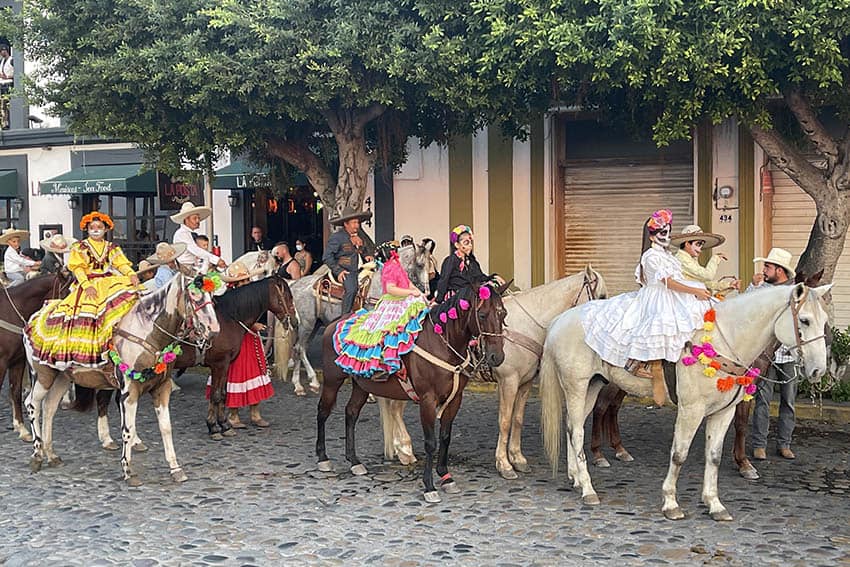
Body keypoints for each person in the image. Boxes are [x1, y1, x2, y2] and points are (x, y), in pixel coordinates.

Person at [581, 210, 712, 405]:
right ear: (651, 236)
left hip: (671, 294)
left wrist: (700, 289)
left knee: (689, 322)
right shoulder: (650, 256)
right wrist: (693, 291)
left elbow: (678, 278)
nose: (666, 237)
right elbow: (667, 282)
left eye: (668, 232)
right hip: (658, 295)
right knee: (651, 327)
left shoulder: (668, 256)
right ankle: (645, 365)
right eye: (662, 233)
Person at [24, 212, 141, 369]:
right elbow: (78, 268)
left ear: (106, 229)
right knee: (85, 315)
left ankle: (118, 344)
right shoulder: (80, 247)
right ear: (87, 229)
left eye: (99, 227)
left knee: (126, 305)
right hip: (89, 283)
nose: (95, 230)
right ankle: (86, 350)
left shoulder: (112, 247)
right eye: (92, 227)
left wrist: (131, 274)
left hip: (110, 281)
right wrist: (86, 285)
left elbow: (121, 264)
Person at [334, 241, 428, 379]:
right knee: (390, 331)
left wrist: (419, 293)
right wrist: (410, 293)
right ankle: (383, 361)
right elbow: (391, 289)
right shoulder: (390, 267)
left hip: (404, 300)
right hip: (392, 303)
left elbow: (408, 283)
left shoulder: (398, 266)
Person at [206, 261, 274, 428]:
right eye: (242, 282)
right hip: (236, 339)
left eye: (247, 281)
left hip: (251, 339)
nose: (245, 284)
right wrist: (252, 325)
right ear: (234, 284)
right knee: (235, 374)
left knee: (255, 372)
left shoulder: (252, 296)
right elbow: (234, 318)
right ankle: (233, 413)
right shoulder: (228, 300)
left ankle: (255, 412)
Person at [747, 247, 798, 461]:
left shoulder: (796, 291)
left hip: (789, 355)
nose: (764, 270)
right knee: (762, 400)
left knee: (789, 401)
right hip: (766, 355)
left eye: (767, 266)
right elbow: (746, 306)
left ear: (779, 270)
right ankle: (759, 444)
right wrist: (753, 286)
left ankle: (784, 444)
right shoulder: (760, 287)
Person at [323, 207, 375, 314]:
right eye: (354, 222)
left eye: (358, 222)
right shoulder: (337, 237)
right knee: (351, 290)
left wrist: (367, 255)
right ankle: (345, 316)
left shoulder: (361, 235)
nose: (357, 225)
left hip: (363, 269)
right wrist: (338, 271)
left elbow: (363, 250)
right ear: (346, 224)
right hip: (347, 270)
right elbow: (327, 257)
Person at [672, 225, 740, 294]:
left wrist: (728, 285)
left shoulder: (689, 259)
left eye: (702, 246)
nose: (700, 250)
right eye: (698, 244)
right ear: (687, 244)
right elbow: (708, 276)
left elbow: (703, 281)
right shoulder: (682, 259)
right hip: (685, 300)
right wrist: (715, 259)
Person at [434, 225, 488, 303]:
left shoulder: (472, 261)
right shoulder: (450, 261)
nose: (470, 245)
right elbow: (443, 281)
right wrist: (438, 301)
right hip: (455, 300)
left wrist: (493, 278)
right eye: (466, 243)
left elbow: (479, 277)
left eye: (470, 242)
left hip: (470, 297)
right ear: (457, 245)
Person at [170, 202, 225, 273]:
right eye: (195, 218)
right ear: (186, 220)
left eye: (198, 218)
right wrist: (216, 260)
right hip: (185, 269)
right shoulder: (181, 234)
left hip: (194, 266)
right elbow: (195, 250)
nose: (198, 221)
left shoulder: (190, 234)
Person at [0, 44, 12, 130]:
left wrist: (7, 77)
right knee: (3, 105)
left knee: (8, 104)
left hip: (9, 84)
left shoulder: (12, 60)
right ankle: (5, 123)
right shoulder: (2, 61)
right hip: (2, 84)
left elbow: (17, 74)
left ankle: (8, 122)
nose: (1, 52)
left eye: (2, 50)